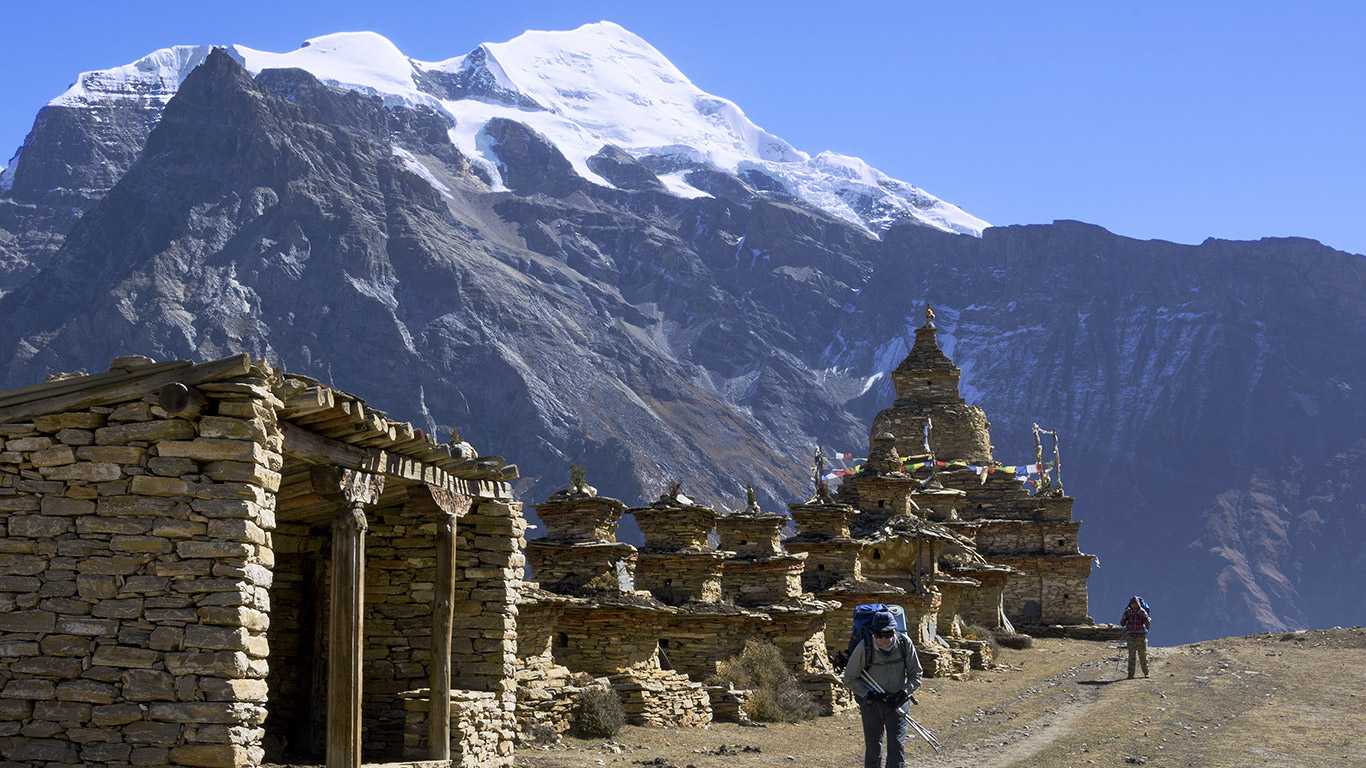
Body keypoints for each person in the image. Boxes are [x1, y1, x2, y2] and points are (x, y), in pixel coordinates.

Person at [843, 610, 924, 768]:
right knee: (873, 747)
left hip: (897, 704)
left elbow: (916, 674)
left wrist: (903, 693)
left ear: (894, 631)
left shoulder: (904, 643)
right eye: (879, 635)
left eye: (888, 634)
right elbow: (850, 678)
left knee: (896, 746)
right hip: (873, 705)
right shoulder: (864, 647)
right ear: (873, 633)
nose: (884, 639)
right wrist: (869, 694)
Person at [1121, 595, 1151, 678]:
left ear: (1138, 604)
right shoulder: (1128, 612)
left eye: (1135, 603)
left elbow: (1147, 622)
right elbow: (1122, 623)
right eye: (1133, 604)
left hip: (1140, 636)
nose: (1134, 605)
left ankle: (1146, 673)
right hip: (1132, 635)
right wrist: (1124, 618)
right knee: (1132, 656)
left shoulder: (1142, 612)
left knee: (1143, 655)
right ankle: (1131, 675)